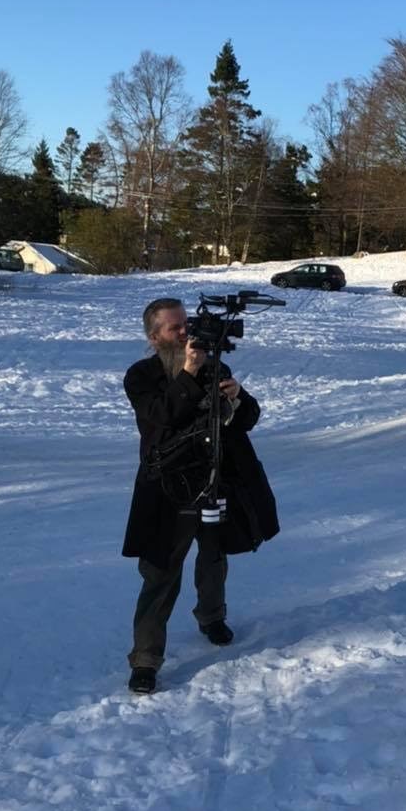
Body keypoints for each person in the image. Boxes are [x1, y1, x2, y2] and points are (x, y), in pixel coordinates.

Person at [122, 297, 279, 695]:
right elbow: (161, 417)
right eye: (174, 328)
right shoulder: (141, 376)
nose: (184, 333)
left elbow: (247, 420)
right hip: (168, 488)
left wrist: (238, 398)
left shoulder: (215, 367)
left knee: (214, 556)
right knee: (160, 572)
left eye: (186, 325)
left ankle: (211, 616)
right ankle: (145, 658)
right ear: (154, 337)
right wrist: (190, 372)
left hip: (215, 480)